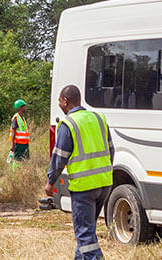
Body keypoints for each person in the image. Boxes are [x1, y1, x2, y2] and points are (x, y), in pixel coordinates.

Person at [45, 85, 113, 260]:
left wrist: (50, 181)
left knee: (85, 236)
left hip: (84, 188)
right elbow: (111, 151)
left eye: (59, 100)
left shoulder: (68, 124)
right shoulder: (99, 118)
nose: (59, 103)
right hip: (104, 184)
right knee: (87, 232)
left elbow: (59, 158)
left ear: (65, 102)